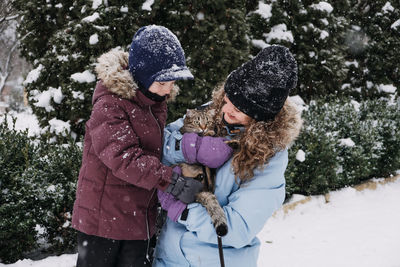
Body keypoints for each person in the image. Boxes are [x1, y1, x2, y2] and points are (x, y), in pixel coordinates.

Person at [71, 25, 233, 267]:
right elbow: (125, 158)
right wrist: (173, 183)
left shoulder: (153, 100)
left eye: (172, 81)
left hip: (137, 217)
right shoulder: (110, 104)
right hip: (103, 221)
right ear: (143, 75)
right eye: (163, 82)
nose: (169, 89)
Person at [154, 45, 303, 267]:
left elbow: (236, 228)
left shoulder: (269, 157)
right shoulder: (212, 112)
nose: (226, 111)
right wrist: (189, 147)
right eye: (227, 99)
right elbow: (159, 143)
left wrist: (182, 211)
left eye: (239, 109)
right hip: (166, 259)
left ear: (260, 117)